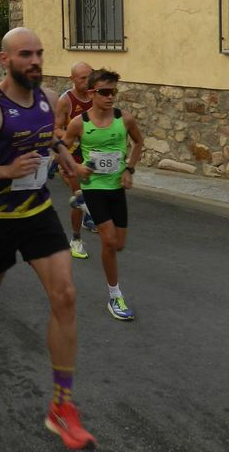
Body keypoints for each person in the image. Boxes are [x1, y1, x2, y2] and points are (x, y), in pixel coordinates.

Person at [0, 27, 97, 450]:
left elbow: (51, 138)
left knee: (65, 295)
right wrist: (6, 172)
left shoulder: (46, 99)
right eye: (26, 54)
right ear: (5, 60)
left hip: (38, 212)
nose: (36, 61)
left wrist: (68, 163)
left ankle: (63, 407)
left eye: (40, 53)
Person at [63, 69, 144, 322]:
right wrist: (75, 167)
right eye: (105, 92)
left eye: (113, 92)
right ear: (91, 94)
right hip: (94, 186)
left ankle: (83, 205)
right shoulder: (79, 123)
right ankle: (114, 296)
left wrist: (129, 168)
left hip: (116, 188)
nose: (110, 97)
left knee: (119, 244)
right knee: (108, 242)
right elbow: (61, 149)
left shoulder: (125, 119)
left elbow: (139, 143)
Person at [54, 61, 96, 259]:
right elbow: (56, 129)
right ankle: (76, 239)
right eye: (83, 78)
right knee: (79, 195)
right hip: (72, 153)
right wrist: (76, 135)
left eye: (91, 76)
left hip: (93, 153)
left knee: (95, 191)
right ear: (72, 79)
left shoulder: (97, 95)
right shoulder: (66, 100)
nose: (88, 81)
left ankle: (90, 218)